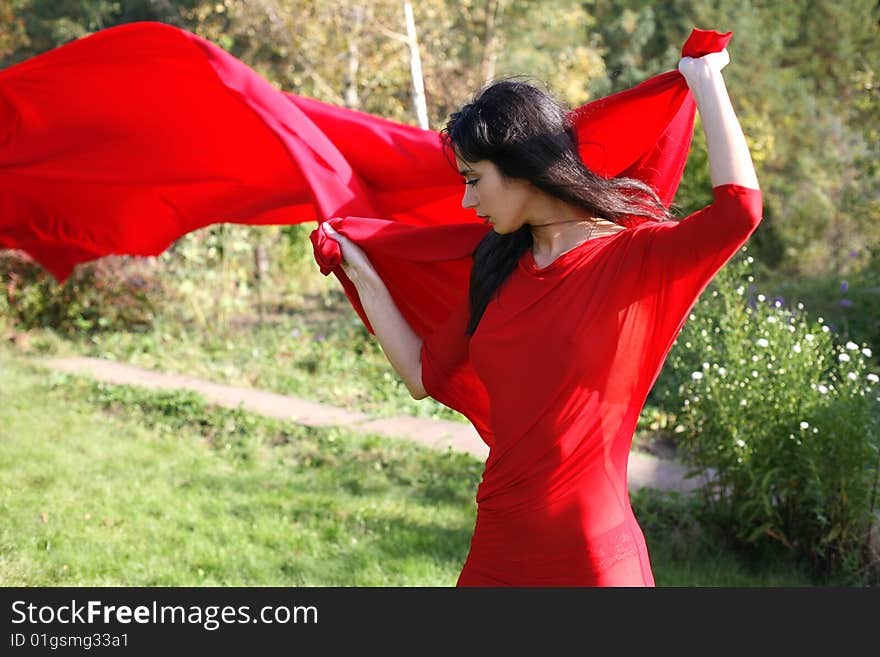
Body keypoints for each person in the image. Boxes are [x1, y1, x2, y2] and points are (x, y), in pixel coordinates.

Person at [322, 46, 761, 586]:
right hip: (497, 549)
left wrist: (703, 80)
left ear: (521, 167)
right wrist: (363, 272)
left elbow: (740, 210)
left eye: (472, 178)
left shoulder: (636, 259)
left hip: (592, 559)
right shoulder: (496, 265)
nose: (466, 201)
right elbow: (422, 374)